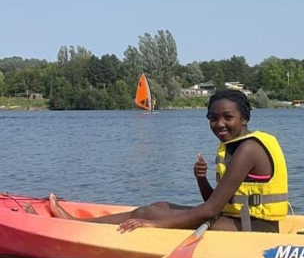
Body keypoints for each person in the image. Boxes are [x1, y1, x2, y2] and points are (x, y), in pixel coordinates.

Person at [49, 89, 288, 232]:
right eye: (213, 118)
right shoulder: (233, 146)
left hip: (256, 229)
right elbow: (216, 202)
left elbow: (212, 209)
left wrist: (155, 226)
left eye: (228, 117)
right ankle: (81, 224)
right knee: (158, 207)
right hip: (236, 219)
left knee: (154, 216)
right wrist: (201, 179)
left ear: (244, 118)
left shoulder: (248, 149)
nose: (219, 124)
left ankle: (77, 226)